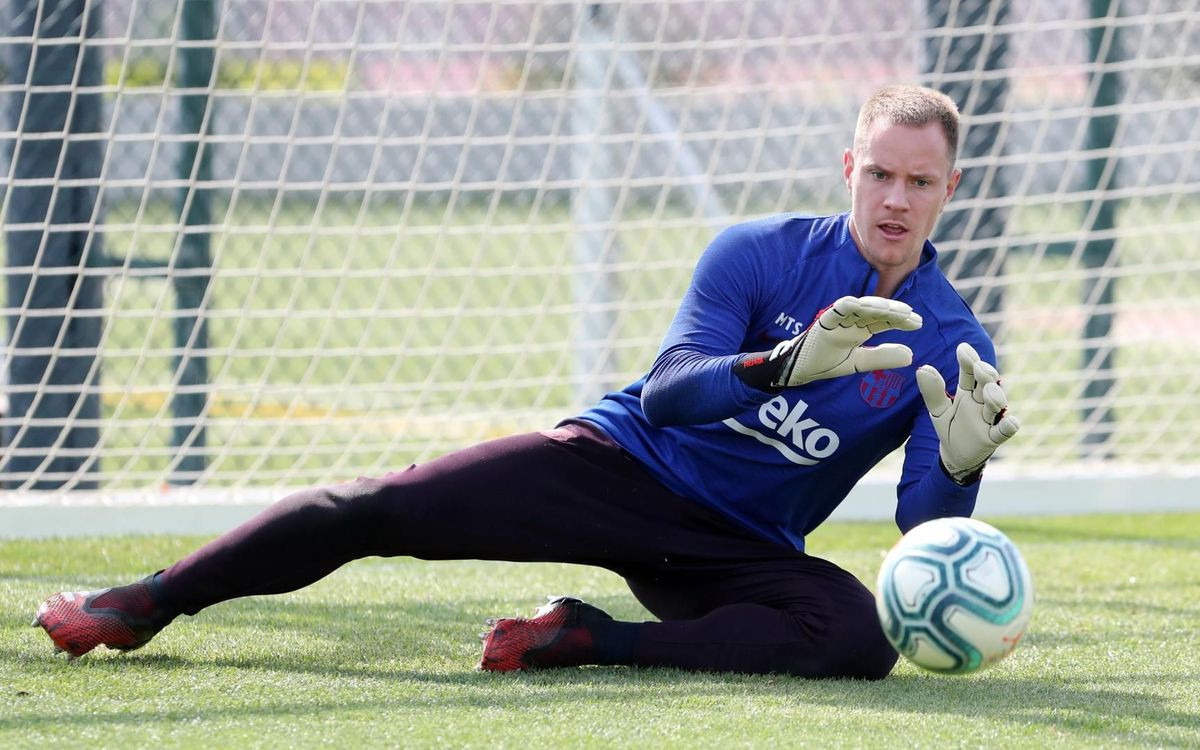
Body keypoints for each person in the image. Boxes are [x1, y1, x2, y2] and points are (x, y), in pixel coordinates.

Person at [32, 84, 1019, 680]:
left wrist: (963, 475)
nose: (895, 199)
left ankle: (590, 642)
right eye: (879, 174)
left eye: (919, 182)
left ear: (950, 190)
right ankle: (147, 601)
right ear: (850, 167)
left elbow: (919, 533)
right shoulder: (757, 254)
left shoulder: (952, 343)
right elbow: (673, 391)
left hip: (736, 546)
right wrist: (778, 368)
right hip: (616, 467)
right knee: (376, 507)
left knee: (854, 635)